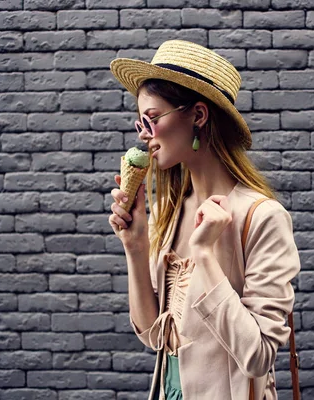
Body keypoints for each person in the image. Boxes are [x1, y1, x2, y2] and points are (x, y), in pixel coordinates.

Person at [107, 40, 300, 400]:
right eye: (140, 122)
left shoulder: (263, 218)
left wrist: (206, 255)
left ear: (197, 115)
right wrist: (135, 246)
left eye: (153, 118)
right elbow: (154, 337)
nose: (144, 135)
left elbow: (259, 357)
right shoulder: (169, 209)